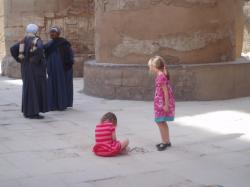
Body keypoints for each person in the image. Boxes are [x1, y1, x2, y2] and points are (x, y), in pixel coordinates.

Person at [10, 24, 48, 119]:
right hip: (35, 69)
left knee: (28, 88)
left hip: (25, 67)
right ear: (36, 31)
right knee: (34, 89)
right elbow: (39, 48)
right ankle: (33, 113)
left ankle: (27, 111)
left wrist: (20, 60)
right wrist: (36, 59)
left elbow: (12, 49)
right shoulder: (36, 40)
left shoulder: (23, 40)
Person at [148, 56, 175, 151]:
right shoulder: (161, 74)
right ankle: (167, 141)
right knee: (162, 121)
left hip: (162, 103)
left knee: (159, 121)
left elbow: (166, 91)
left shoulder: (160, 76)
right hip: (160, 103)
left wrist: (166, 104)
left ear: (155, 66)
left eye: (150, 66)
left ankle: (165, 142)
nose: (149, 68)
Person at [44, 26, 74, 111]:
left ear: (58, 33)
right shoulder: (49, 44)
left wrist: (68, 66)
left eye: (54, 32)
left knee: (61, 85)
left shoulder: (64, 43)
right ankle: (52, 105)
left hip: (61, 69)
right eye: (51, 32)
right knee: (51, 85)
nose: (52, 34)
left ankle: (62, 104)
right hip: (52, 69)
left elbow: (70, 55)